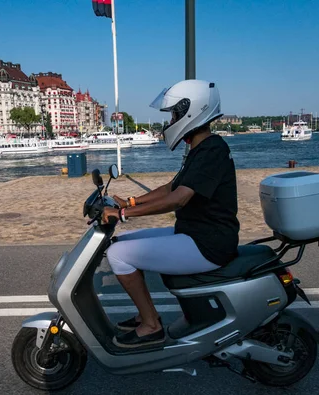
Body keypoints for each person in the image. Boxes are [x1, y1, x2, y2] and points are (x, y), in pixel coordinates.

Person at [102, 80, 240, 348]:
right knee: (122, 243)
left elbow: (179, 198)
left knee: (117, 256)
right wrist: (130, 202)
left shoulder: (213, 149)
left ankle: (151, 325)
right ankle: (148, 314)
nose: (171, 121)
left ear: (192, 111)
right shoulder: (200, 149)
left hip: (207, 244)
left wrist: (122, 215)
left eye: (174, 114)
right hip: (193, 233)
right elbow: (171, 187)